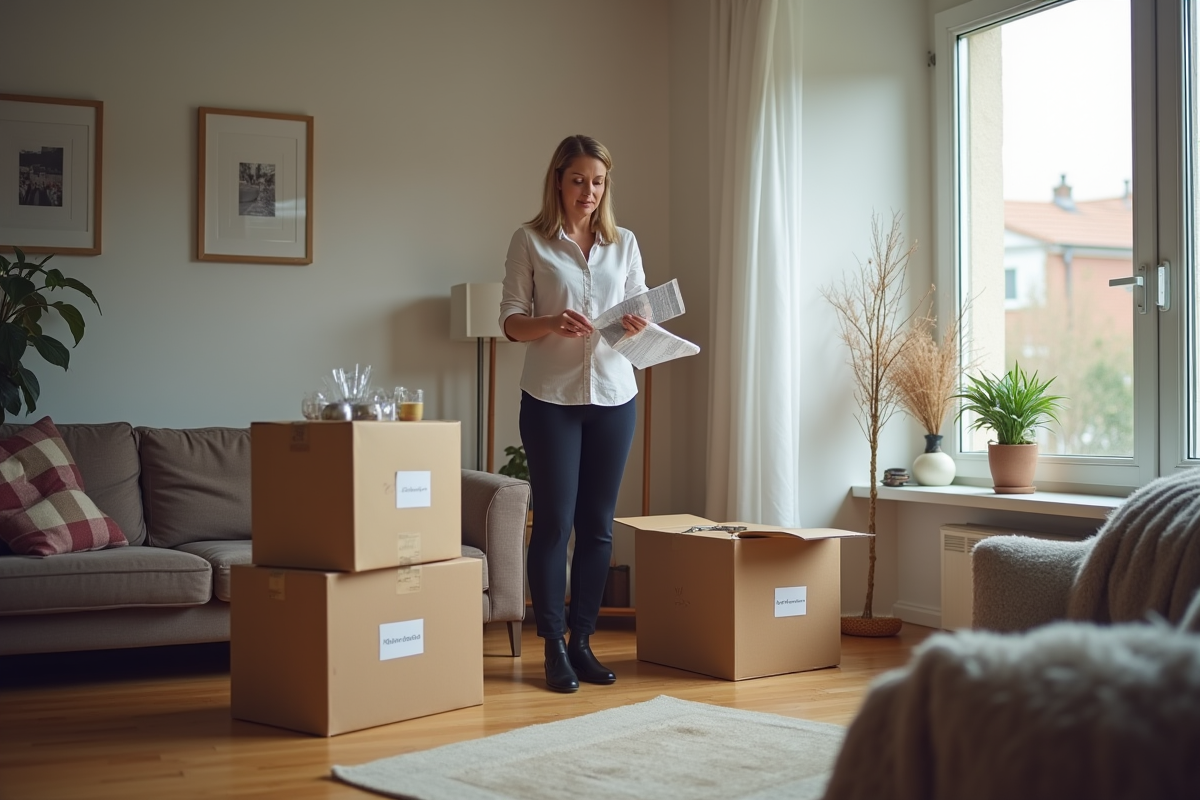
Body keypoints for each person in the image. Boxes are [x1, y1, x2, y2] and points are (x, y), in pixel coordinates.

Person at [499, 134, 648, 693]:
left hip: (615, 395)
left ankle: (584, 642)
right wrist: (550, 323)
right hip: (550, 400)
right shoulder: (530, 241)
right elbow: (512, 320)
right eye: (579, 179)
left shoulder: (624, 242)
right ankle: (553, 646)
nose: (589, 191)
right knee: (555, 524)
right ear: (558, 181)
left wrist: (641, 319)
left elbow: (637, 304)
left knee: (598, 528)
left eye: (598, 181)